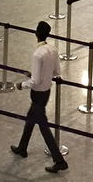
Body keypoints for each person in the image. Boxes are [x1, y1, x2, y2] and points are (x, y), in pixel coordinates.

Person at [9, 20, 68, 174]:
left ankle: (59, 160)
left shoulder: (37, 54)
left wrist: (22, 85)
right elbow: (56, 72)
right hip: (46, 91)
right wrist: (39, 74)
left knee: (43, 127)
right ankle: (22, 147)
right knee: (31, 118)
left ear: (36, 34)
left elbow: (35, 81)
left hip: (37, 93)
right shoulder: (53, 49)